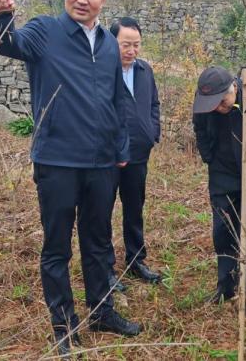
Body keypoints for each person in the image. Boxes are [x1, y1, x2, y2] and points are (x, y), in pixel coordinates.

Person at [0, 0, 141, 357]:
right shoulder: (45, 32)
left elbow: (118, 101)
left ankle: (102, 311)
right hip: (57, 162)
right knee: (57, 247)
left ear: (103, 0)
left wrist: (121, 149)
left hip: (102, 164)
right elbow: (5, 42)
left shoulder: (109, 43)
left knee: (99, 241)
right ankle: (63, 325)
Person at [192, 66, 246, 319]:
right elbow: (199, 128)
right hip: (221, 174)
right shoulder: (204, 101)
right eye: (212, 103)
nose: (218, 106)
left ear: (233, 87)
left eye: (222, 100)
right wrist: (209, 157)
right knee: (222, 231)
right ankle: (226, 287)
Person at [106, 17, 161, 291]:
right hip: (107, 155)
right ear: (112, 42)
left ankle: (136, 260)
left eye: (136, 45)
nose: (131, 50)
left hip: (138, 152)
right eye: (125, 44)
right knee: (101, 211)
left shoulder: (144, 70)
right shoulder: (103, 69)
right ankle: (105, 269)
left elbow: (153, 103)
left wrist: (153, 132)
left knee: (134, 207)